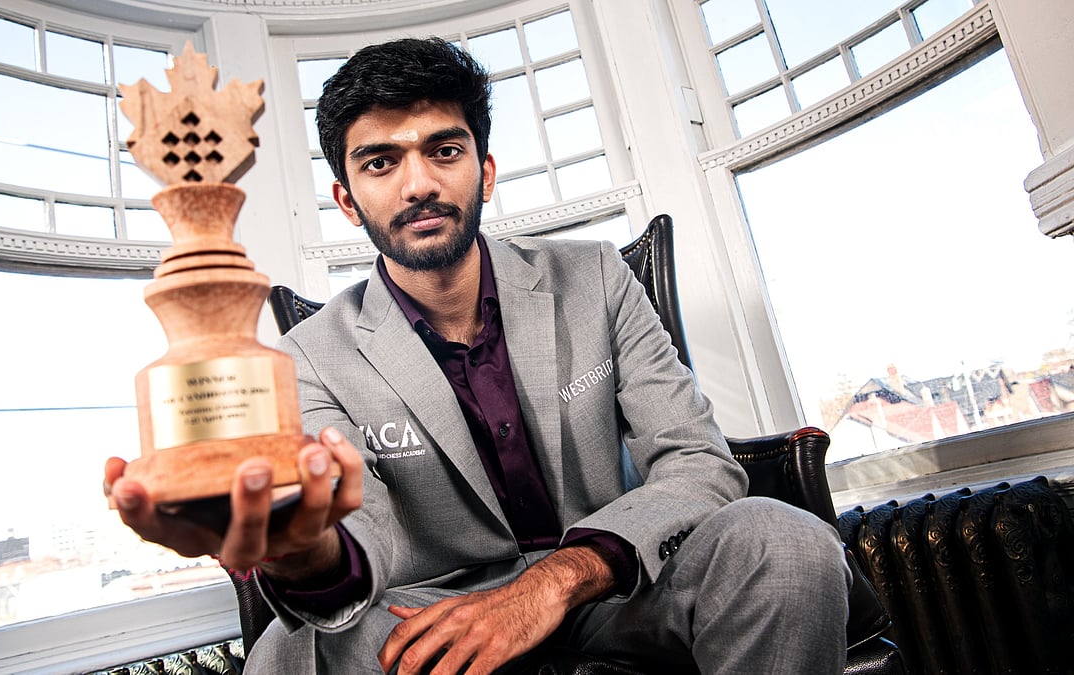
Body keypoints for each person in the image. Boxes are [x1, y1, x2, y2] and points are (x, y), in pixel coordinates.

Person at [105, 37, 850, 675]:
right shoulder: (310, 354)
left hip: (614, 584)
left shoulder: (595, 278)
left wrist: (556, 580)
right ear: (347, 199)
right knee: (291, 652)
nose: (419, 184)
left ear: (484, 171)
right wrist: (305, 552)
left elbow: (697, 462)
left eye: (444, 150)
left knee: (781, 539)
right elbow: (360, 529)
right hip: (433, 615)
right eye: (380, 162)